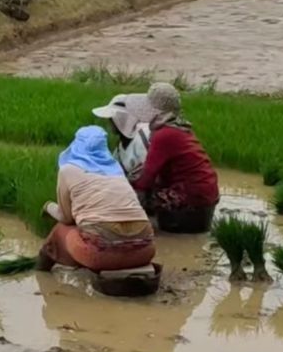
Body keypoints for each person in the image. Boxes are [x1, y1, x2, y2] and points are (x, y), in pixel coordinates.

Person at [38, 125, 155, 272]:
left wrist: (48, 206)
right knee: (89, 229)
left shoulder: (68, 170)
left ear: (77, 143)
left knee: (61, 230)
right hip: (145, 252)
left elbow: (66, 218)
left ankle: (41, 273)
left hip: (100, 256)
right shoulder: (116, 169)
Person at [131, 83, 219, 234]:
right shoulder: (180, 127)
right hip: (206, 195)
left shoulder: (164, 135)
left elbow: (147, 177)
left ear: (156, 109)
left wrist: (129, 186)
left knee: (131, 195)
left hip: (191, 198)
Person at [92, 93, 154, 182]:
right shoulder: (121, 145)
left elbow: (151, 169)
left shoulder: (143, 135)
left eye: (111, 119)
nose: (110, 123)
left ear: (121, 119)